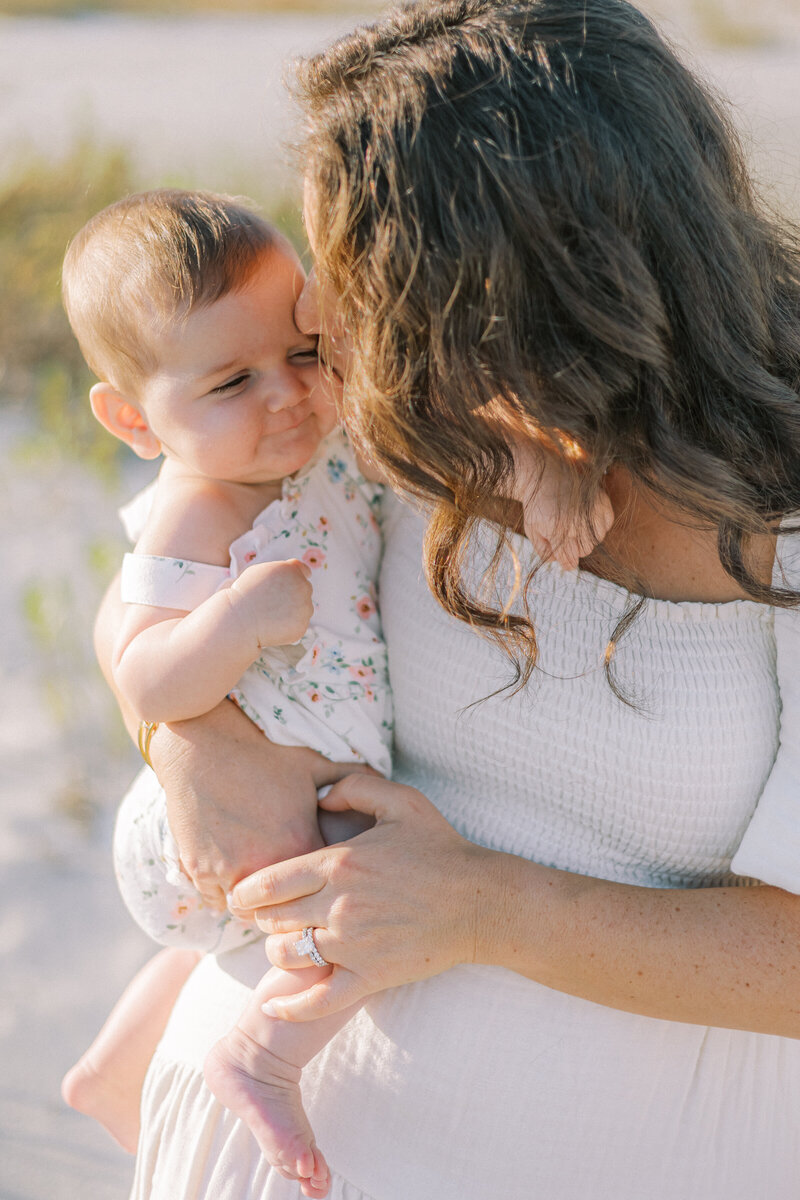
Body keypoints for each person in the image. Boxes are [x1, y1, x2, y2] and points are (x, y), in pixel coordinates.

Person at [92, 1, 800, 1197]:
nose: (316, 311)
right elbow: (164, 594)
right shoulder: (397, 426)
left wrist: (479, 909)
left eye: (359, 268)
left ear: (501, 289)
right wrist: (188, 738)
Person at [60, 188, 608, 1194]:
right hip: (221, 826)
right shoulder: (196, 518)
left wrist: (547, 472)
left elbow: (454, 433)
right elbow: (142, 673)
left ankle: (114, 1066)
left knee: (300, 876)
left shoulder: (316, 456)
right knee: (364, 886)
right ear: (135, 419)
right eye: (230, 381)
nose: (287, 395)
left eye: (301, 355)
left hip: (290, 788)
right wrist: (229, 625)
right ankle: (265, 1052)